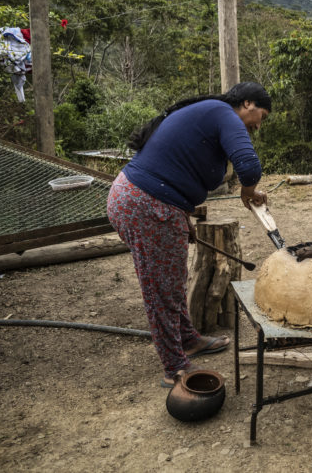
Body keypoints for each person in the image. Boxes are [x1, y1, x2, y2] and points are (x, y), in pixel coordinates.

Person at [106, 82, 271, 387]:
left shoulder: (212, 114)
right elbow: (249, 167)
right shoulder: (225, 114)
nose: (259, 124)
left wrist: (183, 216)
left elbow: (176, 163)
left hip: (152, 202)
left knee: (171, 279)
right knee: (161, 289)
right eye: (261, 115)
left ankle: (187, 339)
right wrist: (248, 193)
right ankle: (174, 367)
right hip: (145, 203)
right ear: (247, 103)